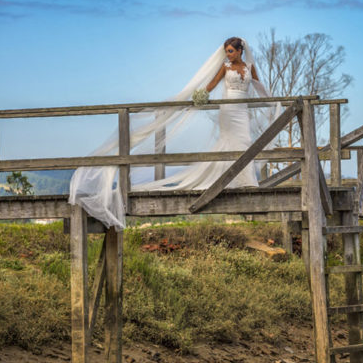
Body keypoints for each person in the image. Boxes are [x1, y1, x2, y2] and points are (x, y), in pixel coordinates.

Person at [68, 37, 278, 229]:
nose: (228, 54)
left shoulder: (250, 67)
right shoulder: (225, 67)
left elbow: (259, 87)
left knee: (245, 141)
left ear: (240, 51)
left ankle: (246, 182)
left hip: (242, 111)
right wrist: (199, 96)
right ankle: (230, 180)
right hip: (228, 110)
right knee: (229, 142)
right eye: (226, 51)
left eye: (231, 51)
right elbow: (212, 84)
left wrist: (273, 102)